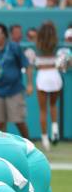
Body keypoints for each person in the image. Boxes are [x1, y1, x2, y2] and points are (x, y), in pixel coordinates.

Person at [0, 23, 32, 138]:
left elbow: (27, 66)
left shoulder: (14, 48)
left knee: (19, 121)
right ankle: (3, 148)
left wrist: (30, 84)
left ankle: (29, 144)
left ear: (4, 35)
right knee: (0, 123)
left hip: (14, 90)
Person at [35, 22, 63, 150]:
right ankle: (55, 130)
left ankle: (45, 138)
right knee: (53, 105)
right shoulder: (57, 45)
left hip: (43, 75)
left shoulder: (36, 45)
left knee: (43, 109)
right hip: (54, 74)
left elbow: (35, 63)